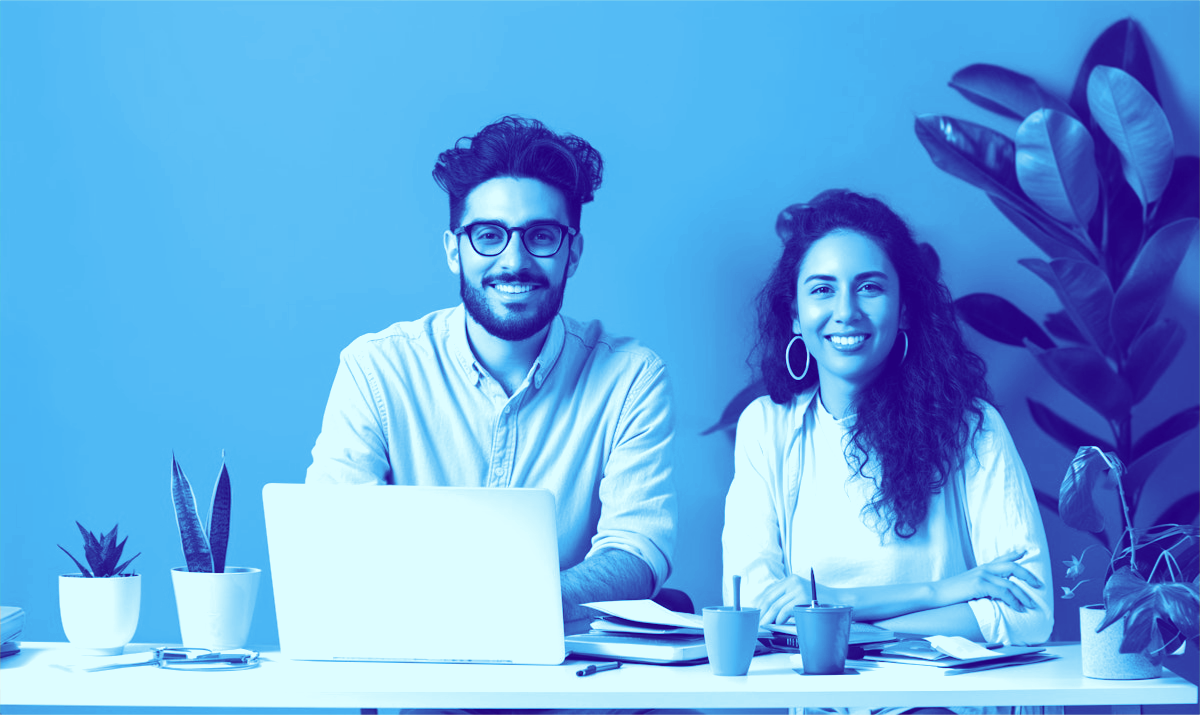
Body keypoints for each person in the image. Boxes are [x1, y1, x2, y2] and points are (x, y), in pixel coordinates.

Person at [306, 116, 678, 637]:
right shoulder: (376, 370)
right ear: (453, 250)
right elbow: (333, 541)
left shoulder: (630, 377)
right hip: (433, 687)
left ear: (573, 252)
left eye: (542, 236)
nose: (514, 261)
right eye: (489, 235)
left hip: (585, 689)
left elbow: (638, 549)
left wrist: (506, 606)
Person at [723, 190, 1052, 706]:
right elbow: (760, 608)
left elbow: (1028, 609)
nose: (846, 312)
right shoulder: (765, 427)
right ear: (794, 315)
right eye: (822, 290)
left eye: (870, 287)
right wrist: (942, 593)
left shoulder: (973, 427)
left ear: (903, 310)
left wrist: (842, 610)